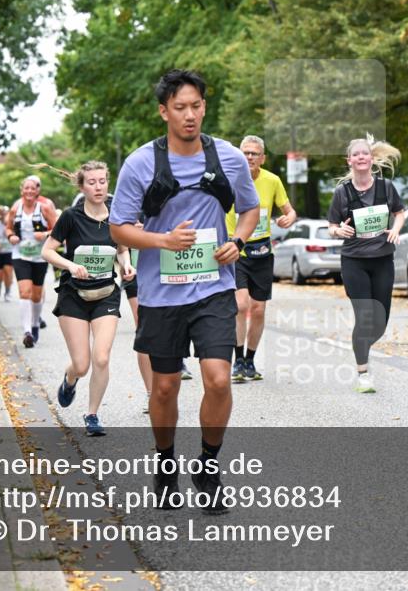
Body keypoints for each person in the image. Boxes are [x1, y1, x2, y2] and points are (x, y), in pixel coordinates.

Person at [109, 69, 259, 513]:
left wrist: (239, 242)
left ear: (204, 108)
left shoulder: (228, 158)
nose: (189, 115)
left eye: (196, 106)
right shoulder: (140, 163)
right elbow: (118, 227)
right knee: (166, 387)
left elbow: (249, 210)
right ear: (163, 112)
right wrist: (162, 241)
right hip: (159, 293)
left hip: (213, 287)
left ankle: (209, 467)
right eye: (180, 108)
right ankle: (165, 463)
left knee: (216, 379)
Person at [42, 161, 133, 436]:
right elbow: (47, 251)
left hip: (106, 293)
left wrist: (126, 265)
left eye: (102, 181)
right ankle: (70, 380)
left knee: (101, 358)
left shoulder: (117, 215)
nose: (98, 187)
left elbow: (122, 248)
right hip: (74, 296)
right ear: (82, 186)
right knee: (81, 364)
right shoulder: (71, 216)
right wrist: (69, 266)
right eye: (92, 182)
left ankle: (92, 414)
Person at [326, 135, 406, 394]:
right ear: (349, 160)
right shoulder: (343, 192)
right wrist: (339, 232)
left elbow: (400, 213)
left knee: (380, 323)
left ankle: (360, 346)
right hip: (354, 262)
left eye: (365, 153)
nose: (361, 157)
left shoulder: (386, 187)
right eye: (356, 154)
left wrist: (395, 230)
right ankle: (363, 372)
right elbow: (331, 226)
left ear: (371, 158)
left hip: (383, 259)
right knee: (364, 317)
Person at [226, 135, 297, 382]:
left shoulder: (272, 180)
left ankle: (249, 361)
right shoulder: (229, 179)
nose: (249, 157)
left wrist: (289, 217)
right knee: (241, 305)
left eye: (254, 153)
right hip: (235, 250)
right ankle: (236, 361)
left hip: (262, 253)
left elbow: (289, 210)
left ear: (262, 158)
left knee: (258, 309)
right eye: (245, 153)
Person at [6, 175, 58, 348]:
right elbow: (8, 227)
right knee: (24, 291)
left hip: (39, 257)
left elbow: (58, 229)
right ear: (22, 190)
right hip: (20, 256)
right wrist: (11, 236)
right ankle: (27, 331)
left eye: (32, 188)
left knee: (36, 295)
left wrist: (43, 234)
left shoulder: (44, 209)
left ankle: (35, 324)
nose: (29, 191)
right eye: (26, 188)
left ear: (37, 191)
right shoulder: (15, 209)